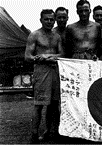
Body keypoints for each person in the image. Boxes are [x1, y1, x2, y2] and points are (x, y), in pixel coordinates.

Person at [25, 9, 64, 143]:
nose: (49, 22)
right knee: (39, 104)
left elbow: (62, 54)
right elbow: (28, 56)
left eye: (51, 19)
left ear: (54, 20)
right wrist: (39, 58)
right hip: (41, 72)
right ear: (40, 20)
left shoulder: (57, 36)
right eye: (46, 19)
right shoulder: (34, 35)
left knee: (53, 104)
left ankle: (51, 131)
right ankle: (34, 134)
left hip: (54, 71)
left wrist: (47, 57)